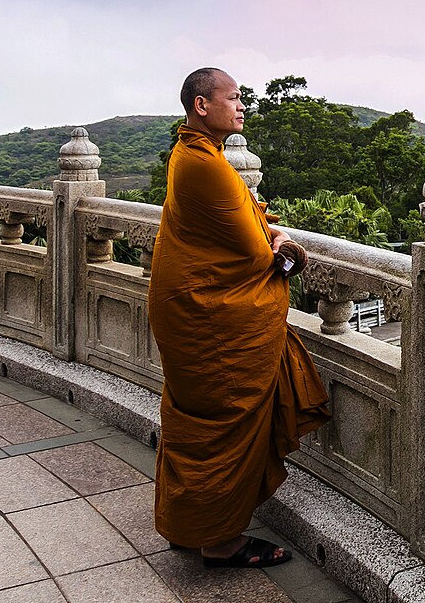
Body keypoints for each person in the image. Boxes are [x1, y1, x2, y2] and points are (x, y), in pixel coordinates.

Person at [148, 67, 331, 568]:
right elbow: (255, 254)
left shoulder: (195, 154)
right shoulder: (203, 163)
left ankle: (192, 525)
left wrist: (268, 234)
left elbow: (246, 218)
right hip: (209, 324)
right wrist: (281, 245)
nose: (242, 106)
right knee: (223, 423)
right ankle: (221, 541)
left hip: (189, 314)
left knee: (199, 424)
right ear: (202, 106)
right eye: (233, 98)